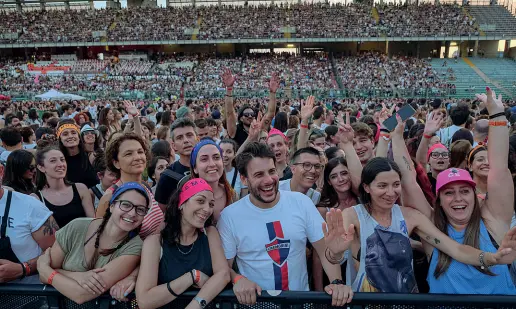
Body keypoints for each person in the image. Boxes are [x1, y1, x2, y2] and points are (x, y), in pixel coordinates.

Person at [397, 89, 516, 294]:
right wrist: (396, 136)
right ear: (439, 200)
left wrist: (497, 115)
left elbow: (499, 168)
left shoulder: (493, 220)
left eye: (464, 191)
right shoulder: (432, 228)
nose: (458, 198)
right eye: (449, 193)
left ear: (475, 194)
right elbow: (408, 181)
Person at [217, 142, 353, 307]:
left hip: (300, 303)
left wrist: (337, 282)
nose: (268, 180)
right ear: (244, 179)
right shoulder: (230, 216)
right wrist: (238, 279)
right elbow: (224, 268)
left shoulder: (301, 202)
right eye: (259, 174)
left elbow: (324, 250)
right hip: (257, 305)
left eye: (272, 171)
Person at [37, 182, 149, 304]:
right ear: (112, 206)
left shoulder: (135, 246)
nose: (132, 213)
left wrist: (47, 271)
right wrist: (78, 276)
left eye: (140, 209)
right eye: (126, 205)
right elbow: (42, 277)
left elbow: (82, 294)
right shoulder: (76, 227)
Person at [136, 178, 230, 309]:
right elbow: (145, 300)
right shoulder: (155, 243)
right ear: (181, 204)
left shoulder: (210, 234)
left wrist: (195, 305)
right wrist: (192, 277)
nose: (207, 209)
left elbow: (223, 274)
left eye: (211, 204)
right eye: (200, 201)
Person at [0, 164, 58, 284]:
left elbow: (58, 251)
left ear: (1, 171)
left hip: (31, 295)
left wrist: (24, 268)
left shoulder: (30, 206)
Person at [32, 146, 95, 228]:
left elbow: (93, 223)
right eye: (53, 161)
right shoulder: (36, 198)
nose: (60, 164)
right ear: (41, 167)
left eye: (62, 160)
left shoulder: (81, 189)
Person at [155, 118, 199, 208]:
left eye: (189, 135)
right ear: (174, 145)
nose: (186, 140)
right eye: (180, 138)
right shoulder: (167, 176)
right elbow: (164, 209)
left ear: (197, 139)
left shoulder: (208, 167)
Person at [189, 138, 235, 223]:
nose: (212, 164)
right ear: (195, 168)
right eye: (204, 159)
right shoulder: (187, 199)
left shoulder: (231, 194)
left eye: (216, 157)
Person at [56, 121, 98, 188]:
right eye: (65, 134)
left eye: (73, 133)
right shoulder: (58, 162)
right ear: (60, 139)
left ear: (78, 137)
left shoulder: (92, 156)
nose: (70, 136)